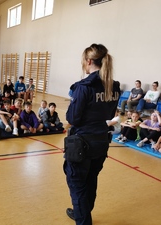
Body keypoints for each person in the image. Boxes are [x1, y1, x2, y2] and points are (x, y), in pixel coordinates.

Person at [64, 44, 120, 225]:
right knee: (90, 179)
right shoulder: (114, 86)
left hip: (82, 143)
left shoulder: (84, 87)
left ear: (88, 61)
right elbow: (110, 115)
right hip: (101, 141)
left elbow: (73, 118)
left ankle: (83, 220)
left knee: (77, 184)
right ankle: (82, 213)